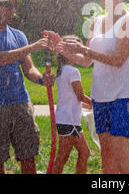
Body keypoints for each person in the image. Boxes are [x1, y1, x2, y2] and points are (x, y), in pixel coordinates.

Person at [56, 0, 129, 174]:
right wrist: (63, 48)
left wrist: (83, 50)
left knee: (119, 148)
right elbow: (87, 61)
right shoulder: (96, 22)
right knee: (106, 149)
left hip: (125, 90)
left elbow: (118, 60)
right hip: (101, 92)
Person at [0, 0, 55, 174]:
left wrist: (42, 79)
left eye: (14, 5)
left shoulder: (19, 35)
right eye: (8, 5)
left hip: (20, 103)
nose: (13, 9)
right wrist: (32, 47)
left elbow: (29, 69)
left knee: (28, 156)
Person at [51, 35, 92, 174]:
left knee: (84, 152)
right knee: (62, 157)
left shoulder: (62, 70)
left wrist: (89, 105)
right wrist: (96, 103)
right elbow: (80, 96)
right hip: (69, 121)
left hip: (68, 120)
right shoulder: (73, 71)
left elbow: (72, 98)